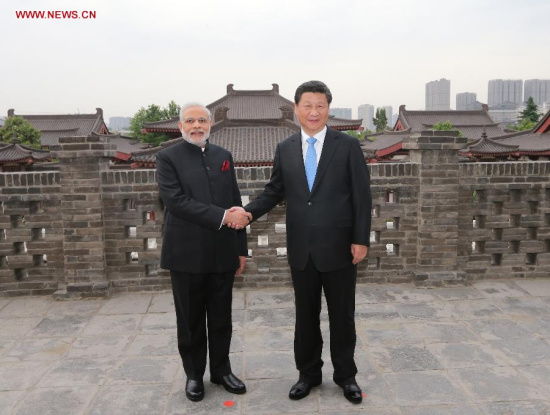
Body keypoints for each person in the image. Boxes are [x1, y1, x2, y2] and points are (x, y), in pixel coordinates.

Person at [235, 81, 372, 404]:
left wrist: (360, 239)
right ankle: (308, 374)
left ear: (328, 109)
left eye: (320, 106)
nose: (314, 112)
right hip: (301, 248)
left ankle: (346, 376)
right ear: (296, 109)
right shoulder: (285, 148)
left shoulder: (347, 145)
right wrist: (248, 213)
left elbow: (362, 197)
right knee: (305, 316)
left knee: (342, 316)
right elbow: (274, 191)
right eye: (307, 105)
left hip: (340, 246)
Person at [156, 102, 252, 402]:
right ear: (180, 126)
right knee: (191, 320)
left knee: (222, 318)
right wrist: (223, 217)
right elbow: (175, 201)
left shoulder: (223, 156)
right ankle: (194, 374)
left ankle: (221, 371)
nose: (196, 125)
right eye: (190, 121)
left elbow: (235, 201)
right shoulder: (167, 157)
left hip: (223, 251)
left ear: (210, 124)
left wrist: (241, 249)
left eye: (201, 120)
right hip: (185, 253)